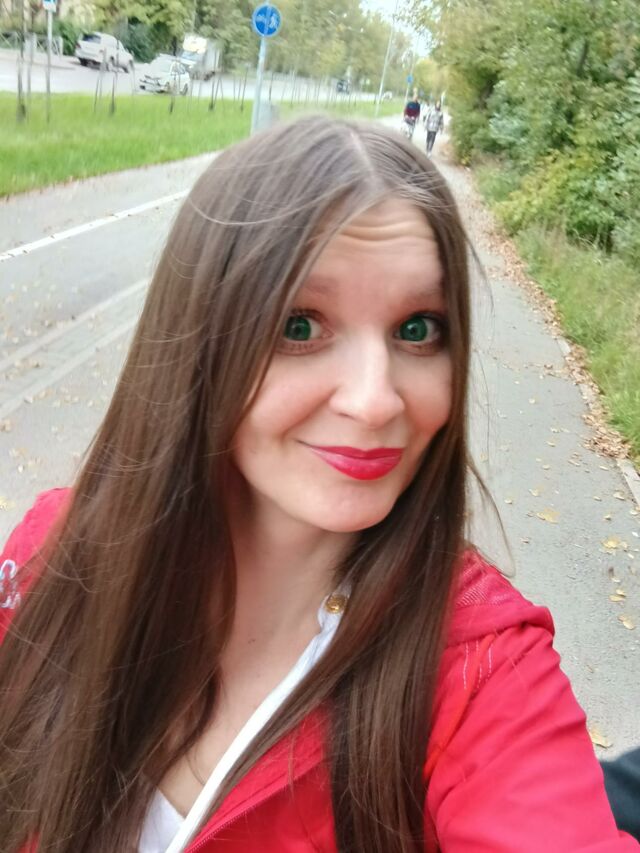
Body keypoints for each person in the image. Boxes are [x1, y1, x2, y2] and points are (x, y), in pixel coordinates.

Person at [0, 118, 637, 853]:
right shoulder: (53, 556)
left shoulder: (482, 670)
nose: (375, 401)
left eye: (418, 329)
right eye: (300, 327)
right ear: (201, 343)